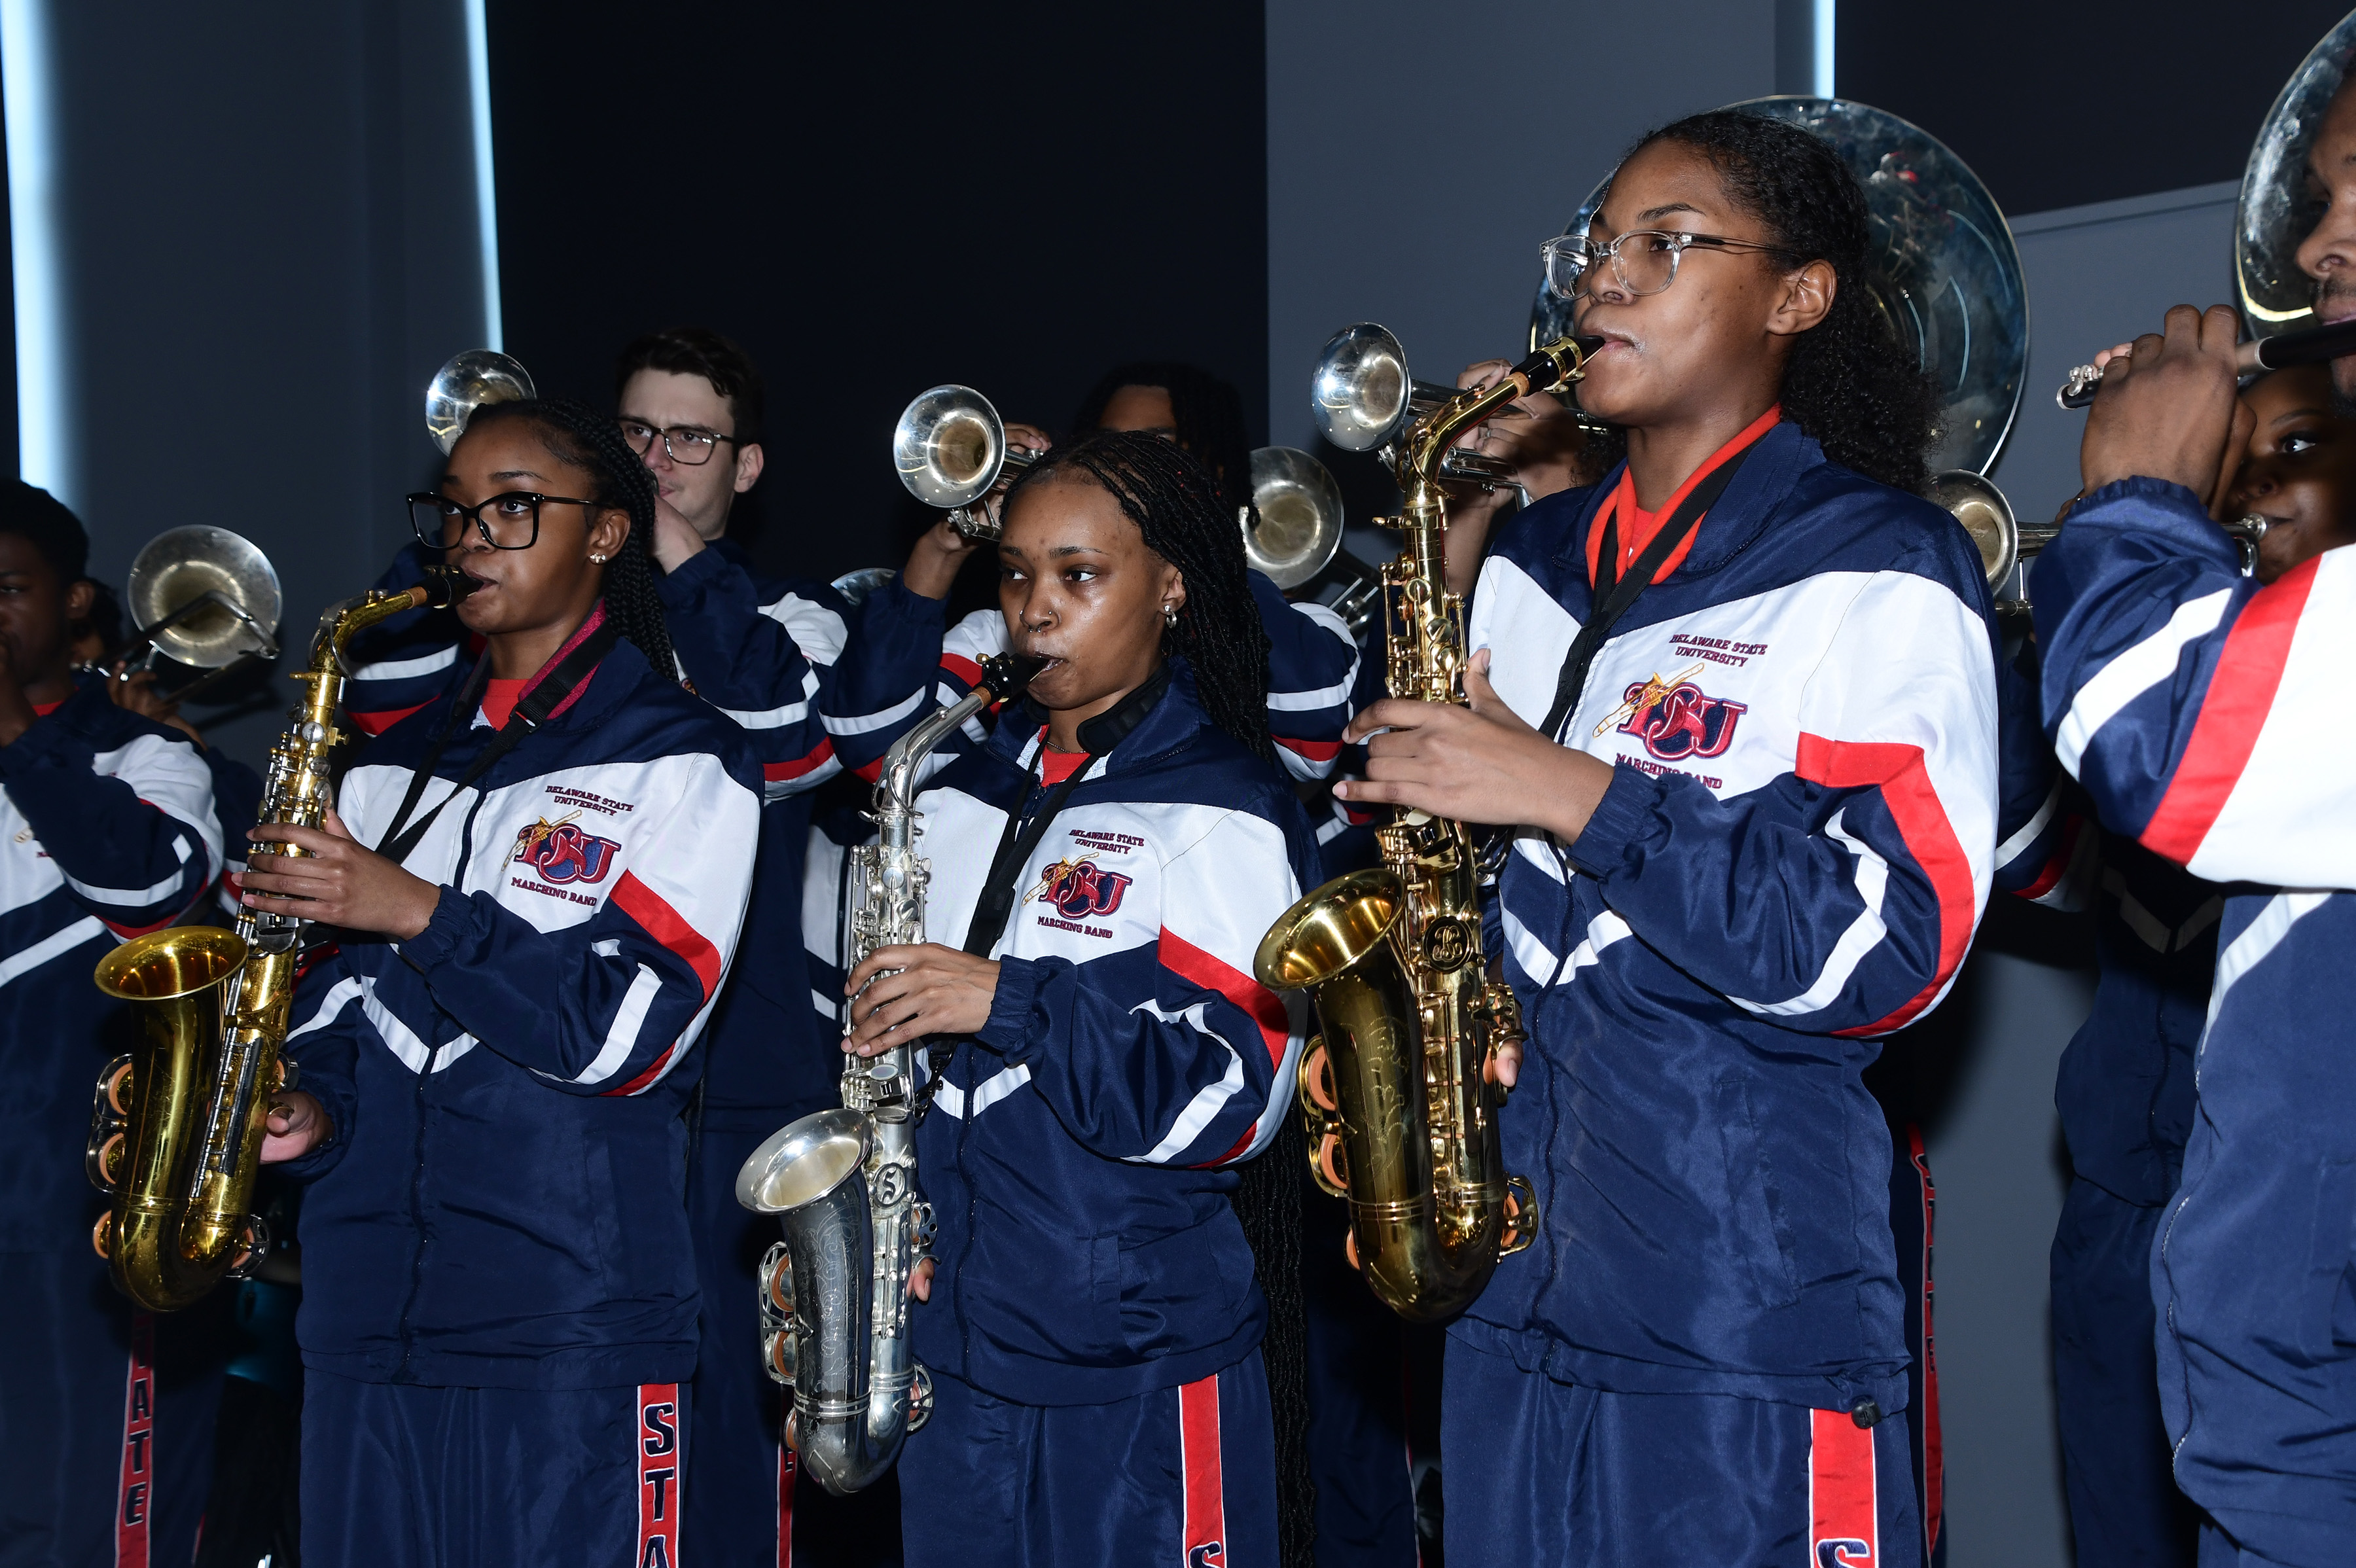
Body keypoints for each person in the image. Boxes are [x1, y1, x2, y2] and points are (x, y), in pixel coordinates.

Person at [1333, 111, 1997, 1565]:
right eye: (1597, 250)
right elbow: (1439, 849)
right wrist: (1451, 533)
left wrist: (1574, 791)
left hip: (1740, 1308)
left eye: (1666, 243)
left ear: (1796, 295)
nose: (1604, 283)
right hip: (1509, 1291)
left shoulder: (1880, 563)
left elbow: (1892, 947)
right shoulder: (1529, 560)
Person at [340, 328, 868, 1563]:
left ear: (743, 465)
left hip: (705, 1107)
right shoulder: (423, 719)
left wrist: (666, 552)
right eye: (638, 435)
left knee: (725, 1448)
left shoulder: (767, 624)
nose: (662, 458)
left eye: (690, 438)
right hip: (418, 1245)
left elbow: (794, 741)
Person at [250, 398, 760, 1567]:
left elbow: (627, 1032)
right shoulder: (381, 770)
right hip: (363, 1317)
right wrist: (307, 1107)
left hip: (567, 1323)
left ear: (606, 535)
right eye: (457, 512)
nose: (473, 537)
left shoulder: (685, 757)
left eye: (516, 507)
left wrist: (412, 908)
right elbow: (332, 1012)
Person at [836, 429, 1319, 1565]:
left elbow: (1230, 1102)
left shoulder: (1224, 804)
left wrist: (1010, 1001)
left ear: (1173, 585)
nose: (1035, 610)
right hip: (949, 1348)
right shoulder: (947, 791)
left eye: (1079, 575)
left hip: (1136, 1360)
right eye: (1014, 573)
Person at [2026, 260, 2356, 1562]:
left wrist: (2138, 505)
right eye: (2243, 461)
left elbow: (2159, 752)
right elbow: (2033, 867)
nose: (2261, 487)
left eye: (2297, 454)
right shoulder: (2221, 639)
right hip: (2136, 1209)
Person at [0, 482, 228, 1568]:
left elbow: (156, 894)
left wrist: (12, 732)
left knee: (85, 1527)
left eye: (6, 589)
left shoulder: (144, 754)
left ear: (73, 599)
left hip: (82, 1232)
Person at [831, 361, 1361, 787]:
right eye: (1106, 446)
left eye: (1155, 447)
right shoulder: (1010, 631)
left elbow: (1314, 745)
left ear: (1215, 469)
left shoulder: (1301, 626)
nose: (1123, 466)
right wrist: (948, 543)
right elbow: (879, 752)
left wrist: (1198, 551)